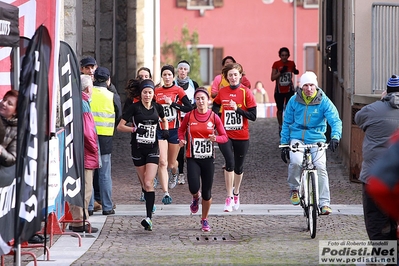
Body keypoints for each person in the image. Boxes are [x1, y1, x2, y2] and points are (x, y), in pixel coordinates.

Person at [280, 71, 342, 215]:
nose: (309, 88)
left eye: (312, 85)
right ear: (301, 87)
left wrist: (335, 137)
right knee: (295, 161)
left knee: (320, 166)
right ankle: (294, 189)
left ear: (316, 86)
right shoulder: (293, 100)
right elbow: (287, 122)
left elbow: (335, 120)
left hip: (317, 137)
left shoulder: (324, 101)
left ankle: (324, 203)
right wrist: (284, 143)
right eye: (306, 85)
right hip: (297, 137)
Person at [117, 79, 168, 231]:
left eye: (150, 92)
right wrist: (134, 130)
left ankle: (148, 218)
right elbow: (120, 127)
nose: (147, 95)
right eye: (145, 92)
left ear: (153, 94)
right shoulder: (134, 108)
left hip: (152, 149)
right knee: (144, 184)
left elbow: (164, 120)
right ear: (140, 94)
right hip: (138, 149)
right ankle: (149, 203)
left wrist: (165, 130)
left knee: (148, 182)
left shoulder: (157, 107)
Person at [355, 75, 399, 241]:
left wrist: (382, 101)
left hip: (375, 175)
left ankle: (384, 256)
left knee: (376, 218)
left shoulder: (372, 110)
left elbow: (358, 119)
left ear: (387, 91)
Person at [178, 87, 228, 231]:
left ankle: (204, 219)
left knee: (207, 193)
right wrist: (182, 140)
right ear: (195, 100)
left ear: (208, 100)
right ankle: (195, 196)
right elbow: (180, 131)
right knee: (193, 186)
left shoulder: (214, 117)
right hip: (193, 157)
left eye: (203, 99)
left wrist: (215, 138)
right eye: (198, 99)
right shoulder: (189, 116)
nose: (200, 101)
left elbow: (224, 137)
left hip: (207, 159)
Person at [212, 63, 257, 212]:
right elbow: (215, 105)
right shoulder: (222, 91)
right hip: (226, 134)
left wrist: (237, 109)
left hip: (242, 135)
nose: (232, 77)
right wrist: (217, 119)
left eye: (235, 75)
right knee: (229, 163)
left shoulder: (246, 92)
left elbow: (253, 116)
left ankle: (236, 192)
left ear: (240, 76)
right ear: (226, 77)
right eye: (230, 75)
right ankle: (228, 196)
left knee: (238, 167)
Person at [155, 65, 192, 204]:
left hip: (174, 129)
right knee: (162, 162)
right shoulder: (156, 91)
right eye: (164, 74)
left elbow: (189, 107)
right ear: (162, 76)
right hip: (160, 129)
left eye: (169, 74)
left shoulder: (178, 90)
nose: (167, 77)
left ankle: (175, 173)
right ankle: (166, 193)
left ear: (173, 76)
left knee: (171, 163)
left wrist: (174, 105)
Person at [68, 75, 100, 233]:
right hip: (85, 152)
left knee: (79, 187)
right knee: (85, 188)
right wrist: (95, 149)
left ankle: (78, 219)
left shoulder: (76, 100)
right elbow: (88, 132)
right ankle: (80, 221)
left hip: (77, 150)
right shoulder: (84, 102)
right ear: (88, 88)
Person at [90, 66, 122, 215]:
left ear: (94, 79)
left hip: (88, 137)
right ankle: (107, 207)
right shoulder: (112, 96)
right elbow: (119, 116)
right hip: (105, 138)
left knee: (89, 173)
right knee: (104, 174)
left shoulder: (87, 94)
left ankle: (89, 206)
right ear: (108, 80)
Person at [175, 60, 199, 186]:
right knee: (180, 146)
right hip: (177, 118)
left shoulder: (193, 84)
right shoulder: (172, 84)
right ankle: (180, 173)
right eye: (181, 69)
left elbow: (198, 99)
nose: (183, 71)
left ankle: (192, 171)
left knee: (191, 143)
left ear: (188, 71)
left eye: (185, 69)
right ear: (177, 70)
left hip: (190, 118)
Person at [271, 47, 300, 133]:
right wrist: (280, 72)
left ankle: (289, 125)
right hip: (279, 91)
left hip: (289, 90)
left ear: (288, 56)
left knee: (289, 109)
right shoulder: (276, 64)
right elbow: (272, 78)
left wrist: (295, 71)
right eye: (282, 55)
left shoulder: (291, 63)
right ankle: (280, 125)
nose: (284, 57)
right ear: (280, 56)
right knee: (280, 110)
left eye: (286, 55)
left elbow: (295, 71)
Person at [0, 89, 18, 167]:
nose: (4, 103)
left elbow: (12, 158)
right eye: (4, 99)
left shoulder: (17, 130)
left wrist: (1, 151)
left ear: (15, 112)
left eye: (9, 103)